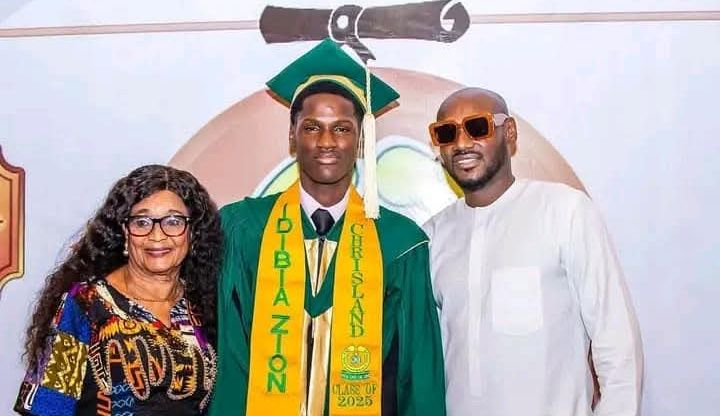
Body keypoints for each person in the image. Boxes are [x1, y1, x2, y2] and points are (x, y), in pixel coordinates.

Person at [210, 39, 446, 416]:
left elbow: (417, 374)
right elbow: (228, 355)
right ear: (292, 136)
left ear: (360, 137)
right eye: (311, 128)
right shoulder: (243, 228)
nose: (326, 142)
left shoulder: (399, 242)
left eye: (341, 128)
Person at [423, 88, 643, 416]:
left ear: (509, 132)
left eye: (477, 127)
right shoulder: (433, 235)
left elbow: (617, 343)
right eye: (446, 133)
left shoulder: (564, 210)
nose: (462, 143)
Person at [15, 164, 222, 416]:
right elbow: (47, 406)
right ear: (125, 231)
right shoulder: (85, 303)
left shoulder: (204, 305)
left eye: (173, 221)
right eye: (142, 222)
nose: (157, 236)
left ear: (192, 232)